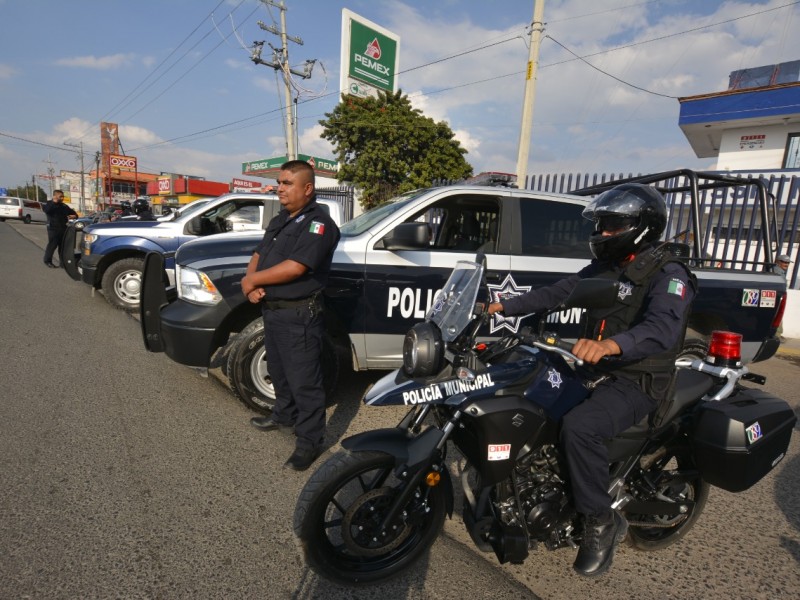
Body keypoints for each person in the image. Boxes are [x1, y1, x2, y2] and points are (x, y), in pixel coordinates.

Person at [487, 183, 696, 577]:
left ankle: (600, 521)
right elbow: (559, 292)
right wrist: (501, 307)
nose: (602, 232)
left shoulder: (670, 273)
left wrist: (612, 346)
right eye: (601, 223)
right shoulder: (604, 268)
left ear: (641, 226)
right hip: (595, 370)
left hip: (639, 380)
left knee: (580, 428)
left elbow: (662, 328)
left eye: (612, 225)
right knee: (529, 394)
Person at [240, 160, 340, 471]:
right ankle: (282, 415)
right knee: (279, 371)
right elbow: (261, 253)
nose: (279, 188)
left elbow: (296, 267)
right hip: (273, 310)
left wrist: (254, 281)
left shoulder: (319, 225)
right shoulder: (282, 218)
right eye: (279, 182)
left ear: (307, 189)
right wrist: (250, 282)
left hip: (299, 316)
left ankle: (309, 442)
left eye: (286, 183)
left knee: (305, 383)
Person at [42, 189, 78, 267]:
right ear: (55, 196)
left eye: (63, 197)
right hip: (53, 228)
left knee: (62, 247)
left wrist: (74, 215)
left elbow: (74, 213)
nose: (62, 198)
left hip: (63, 228)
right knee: (52, 245)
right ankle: (47, 261)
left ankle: (63, 263)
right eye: (60, 196)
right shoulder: (49, 204)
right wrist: (54, 203)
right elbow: (47, 210)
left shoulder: (64, 206)